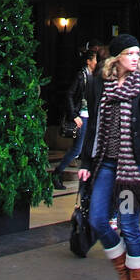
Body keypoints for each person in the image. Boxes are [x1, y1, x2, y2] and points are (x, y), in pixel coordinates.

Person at [78, 35, 140, 280]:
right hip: (106, 162)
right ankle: (124, 274)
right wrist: (85, 164)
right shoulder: (99, 85)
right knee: (98, 219)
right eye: (129, 53)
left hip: (133, 167)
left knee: (128, 224)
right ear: (116, 58)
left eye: (138, 53)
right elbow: (92, 127)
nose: (135, 58)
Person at [53, 44, 99, 190]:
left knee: (85, 148)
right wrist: (74, 115)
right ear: (88, 61)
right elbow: (70, 94)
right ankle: (57, 173)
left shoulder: (91, 76)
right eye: (94, 60)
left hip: (88, 116)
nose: (96, 62)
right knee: (77, 149)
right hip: (82, 116)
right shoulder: (81, 76)